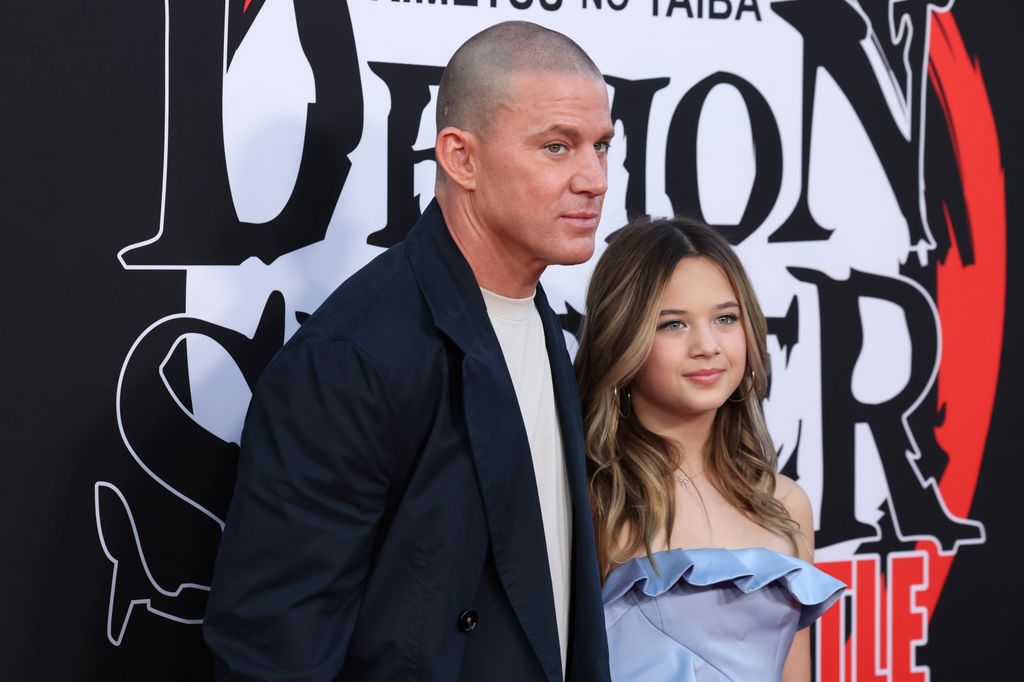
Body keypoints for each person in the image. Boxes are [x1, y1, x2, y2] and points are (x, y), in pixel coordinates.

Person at [202, 21, 614, 682]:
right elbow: (273, 648)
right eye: (558, 147)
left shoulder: (538, 318)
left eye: (601, 146)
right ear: (461, 157)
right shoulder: (353, 357)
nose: (593, 179)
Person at [574, 217, 846, 681]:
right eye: (673, 324)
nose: (707, 346)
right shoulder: (590, 498)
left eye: (725, 318)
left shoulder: (785, 505)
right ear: (624, 338)